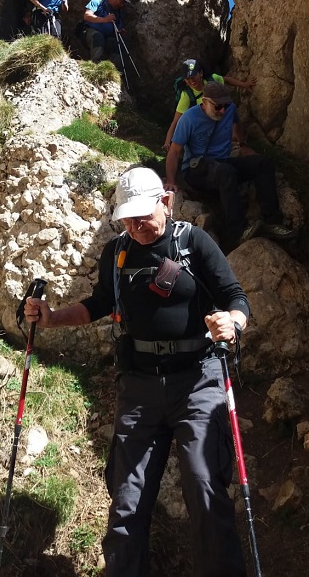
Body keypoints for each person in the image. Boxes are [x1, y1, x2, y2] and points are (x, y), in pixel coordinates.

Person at [25, 165, 250, 577]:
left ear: (166, 202)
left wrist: (231, 323)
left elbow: (235, 296)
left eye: (142, 215)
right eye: (127, 217)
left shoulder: (193, 243)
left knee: (203, 487)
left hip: (197, 380)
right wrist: (52, 318)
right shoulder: (117, 252)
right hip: (139, 385)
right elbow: (98, 304)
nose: (135, 224)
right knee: (128, 497)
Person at [165, 80, 297, 245]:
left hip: (222, 162)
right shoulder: (189, 118)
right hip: (196, 169)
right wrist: (170, 180)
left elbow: (236, 123)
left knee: (263, 164)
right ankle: (238, 231)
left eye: (225, 105)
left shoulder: (230, 109)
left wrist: (242, 145)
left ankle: (273, 222)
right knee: (226, 172)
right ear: (204, 102)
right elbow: (175, 151)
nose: (223, 110)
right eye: (217, 106)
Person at [163, 59, 257, 151]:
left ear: (201, 73)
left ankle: (241, 143)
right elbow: (176, 121)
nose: (192, 81)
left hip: (218, 117)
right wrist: (168, 142)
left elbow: (227, 80)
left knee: (231, 110)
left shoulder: (212, 80)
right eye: (188, 79)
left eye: (193, 77)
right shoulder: (186, 96)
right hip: (201, 127)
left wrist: (245, 84)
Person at [82, 0, 131, 72]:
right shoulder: (98, 1)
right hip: (90, 31)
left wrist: (119, 32)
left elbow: (117, 29)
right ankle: (95, 67)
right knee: (98, 37)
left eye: (124, 2)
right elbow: (87, 16)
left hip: (107, 37)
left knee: (118, 44)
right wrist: (104, 20)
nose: (122, 4)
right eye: (121, 1)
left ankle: (111, 71)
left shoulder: (118, 13)